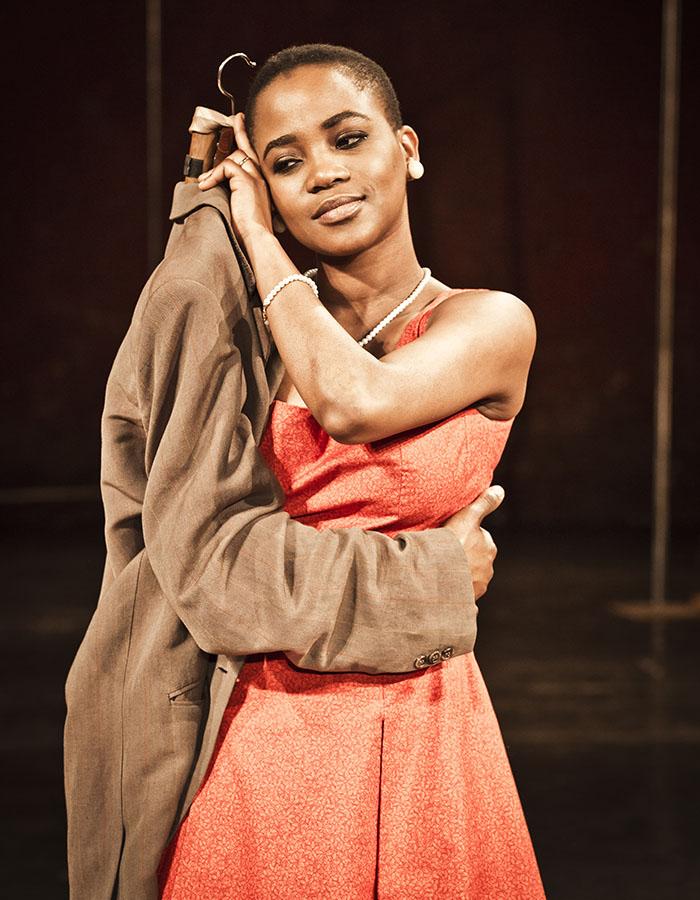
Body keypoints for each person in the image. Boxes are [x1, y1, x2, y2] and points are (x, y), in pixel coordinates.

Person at [62, 47, 509, 900]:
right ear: (257, 187)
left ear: (408, 147)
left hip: (423, 723)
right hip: (260, 732)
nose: (325, 175)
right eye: (287, 162)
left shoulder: (487, 322)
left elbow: (357, 401)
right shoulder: (246, 347)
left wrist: (264, 251)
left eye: (347, 139)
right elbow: (200, 542)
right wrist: (435, 576)